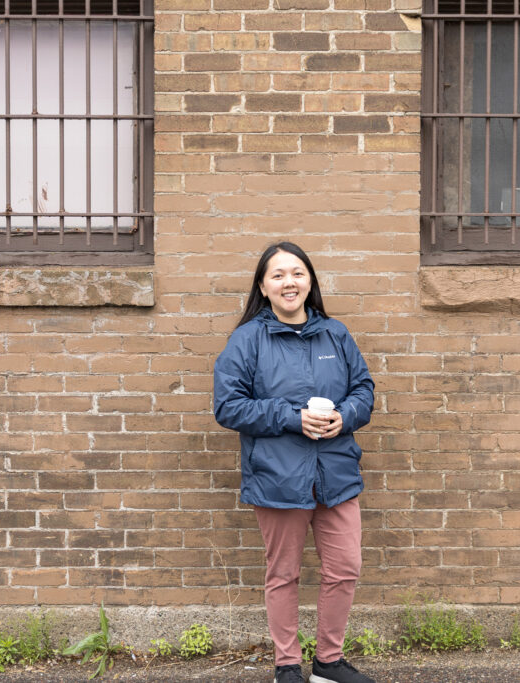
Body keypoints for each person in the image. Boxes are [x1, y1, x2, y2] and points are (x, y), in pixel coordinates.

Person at [213, 242, 377, 683]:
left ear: (310, 281)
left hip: (337, 474)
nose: (290, 282)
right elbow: (228, 406)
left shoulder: (335, 334)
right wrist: (291, 417)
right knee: (283, 574)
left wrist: (346, 416)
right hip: (278, 477)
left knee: (344, 568)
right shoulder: (247, 340)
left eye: (298, 273)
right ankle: (287, 665)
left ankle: (328, 663)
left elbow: (363, 388)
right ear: (263, 286)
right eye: (278, 275)